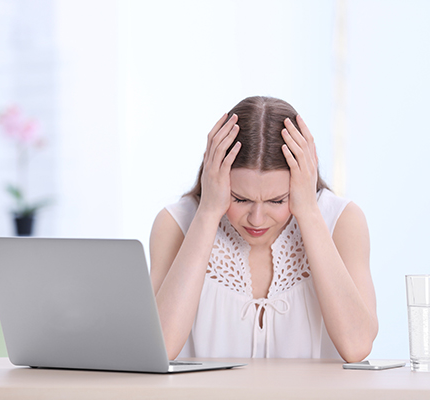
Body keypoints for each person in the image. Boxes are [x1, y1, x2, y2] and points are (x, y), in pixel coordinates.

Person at [149, 96, 378, 362]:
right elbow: (159, 349)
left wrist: (308, 213)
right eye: (240, 199)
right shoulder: (175, 224)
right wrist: (209, 212)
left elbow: (357, 345)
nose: (256, 220)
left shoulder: (342, 221)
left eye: (276, 200)